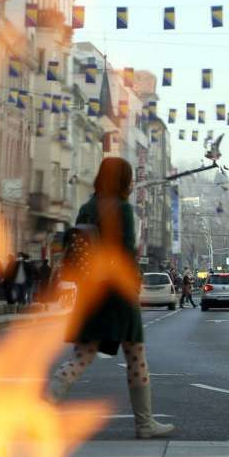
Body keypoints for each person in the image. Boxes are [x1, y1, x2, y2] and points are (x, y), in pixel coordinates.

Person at [47, 157, 174, 439]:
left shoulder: (87, 208)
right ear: (123, 181)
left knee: (81, 356)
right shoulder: (123, 208)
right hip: (118, 294)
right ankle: (144, 423)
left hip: (91, 293)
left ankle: (45, 406)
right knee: (136, 356)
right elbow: (126, 253)